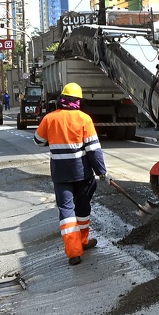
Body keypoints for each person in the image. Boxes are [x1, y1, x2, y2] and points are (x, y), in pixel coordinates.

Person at [34, 82, 108, 265]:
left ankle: (74, 252)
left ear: (62, 100)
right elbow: (93, 150)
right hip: (83, 173)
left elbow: (38, 141)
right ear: (79, 101)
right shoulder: (84, 119)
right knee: (83, 208)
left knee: (67, 211)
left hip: (60, 174)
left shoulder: (50, 119)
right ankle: (82, 241)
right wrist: (102, 172)